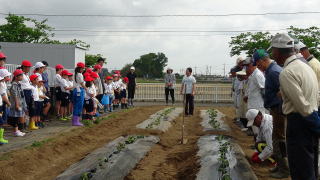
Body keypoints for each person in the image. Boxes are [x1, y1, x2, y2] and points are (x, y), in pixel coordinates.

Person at [271, 33, 319, 180]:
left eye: (273, 51)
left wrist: (316, 124)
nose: (273, 55)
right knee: (308, 165)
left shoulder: (287, 72)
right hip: (311, 117)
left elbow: (302, 106)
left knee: (300, 168)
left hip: (299, 122)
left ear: (278, 52)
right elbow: (315, 96)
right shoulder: (305, 67)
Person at [253, 49, 289, 178]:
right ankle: (279, 166)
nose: (259, 68)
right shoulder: (271, 71)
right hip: (275, 109)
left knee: (279, 139)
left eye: (258, 64)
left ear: (263, 60)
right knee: (276, 139)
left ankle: (284, 169)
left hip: (279, 110)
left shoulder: (274, 72)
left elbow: (284, 91)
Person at [8, 69, 27, 137]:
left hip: (20, 103)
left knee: (18, 117)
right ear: (16, 77)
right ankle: (15, 131)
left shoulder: (18, 84)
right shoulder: (14, 85)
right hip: (16, 104)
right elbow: (15, 95)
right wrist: (17, 104)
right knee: (15, 118)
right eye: (21, 75)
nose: (22, 77)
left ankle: (17, 130)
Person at [72, 62, 86, 126]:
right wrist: (87, 89)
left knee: (75, 106)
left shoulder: (74, 73)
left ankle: (75, 121)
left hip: (75, 90)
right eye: (83, 68)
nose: (83, 70)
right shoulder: (80, 74)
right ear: (80, 68)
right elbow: (82, 84)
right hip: (80, 90)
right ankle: (76, 121)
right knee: (79, 106)